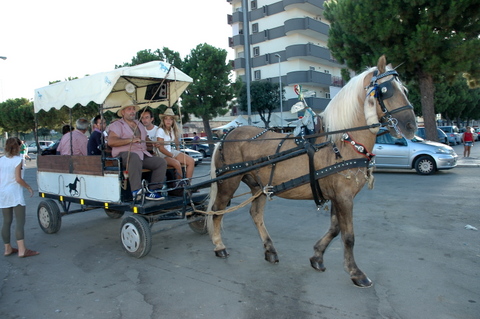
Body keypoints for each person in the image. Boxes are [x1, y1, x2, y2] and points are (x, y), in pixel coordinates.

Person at [107, 101, 167, 201]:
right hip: (124, 155)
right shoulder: (117, 125)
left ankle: (153, 191)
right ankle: (136, 191)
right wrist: (130, 140)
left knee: (161, 162)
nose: (132, 111)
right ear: (123, 112)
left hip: (141, 154)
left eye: (133, 109)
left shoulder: (139, 124)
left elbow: (145, 138)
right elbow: (111, 141)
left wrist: (153, 143)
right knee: (133, 157)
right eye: (129, 109)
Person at [0, 137, 39, 258]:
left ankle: (7, 248)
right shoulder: (18, 160)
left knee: (6, 221)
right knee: (20, 222)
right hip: (14, 193)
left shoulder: (1, 160)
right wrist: (28, 187)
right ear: (18, 147)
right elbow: (18, 179)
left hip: (3, 192)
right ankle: (22, 250)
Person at [155, 107, 195, 181]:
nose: (168, 121)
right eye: (166, 118)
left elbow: (176, 141)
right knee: (177, 163)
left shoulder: (172, 130)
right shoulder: (160, 130)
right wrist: (172, 156)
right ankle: (179, 186)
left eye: (170, 119)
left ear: (173, 121)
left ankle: (188, 183)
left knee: (191, 161)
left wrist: (178, 149)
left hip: (171, 151)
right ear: (163, 120)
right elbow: (161, 148)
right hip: (162, 154)